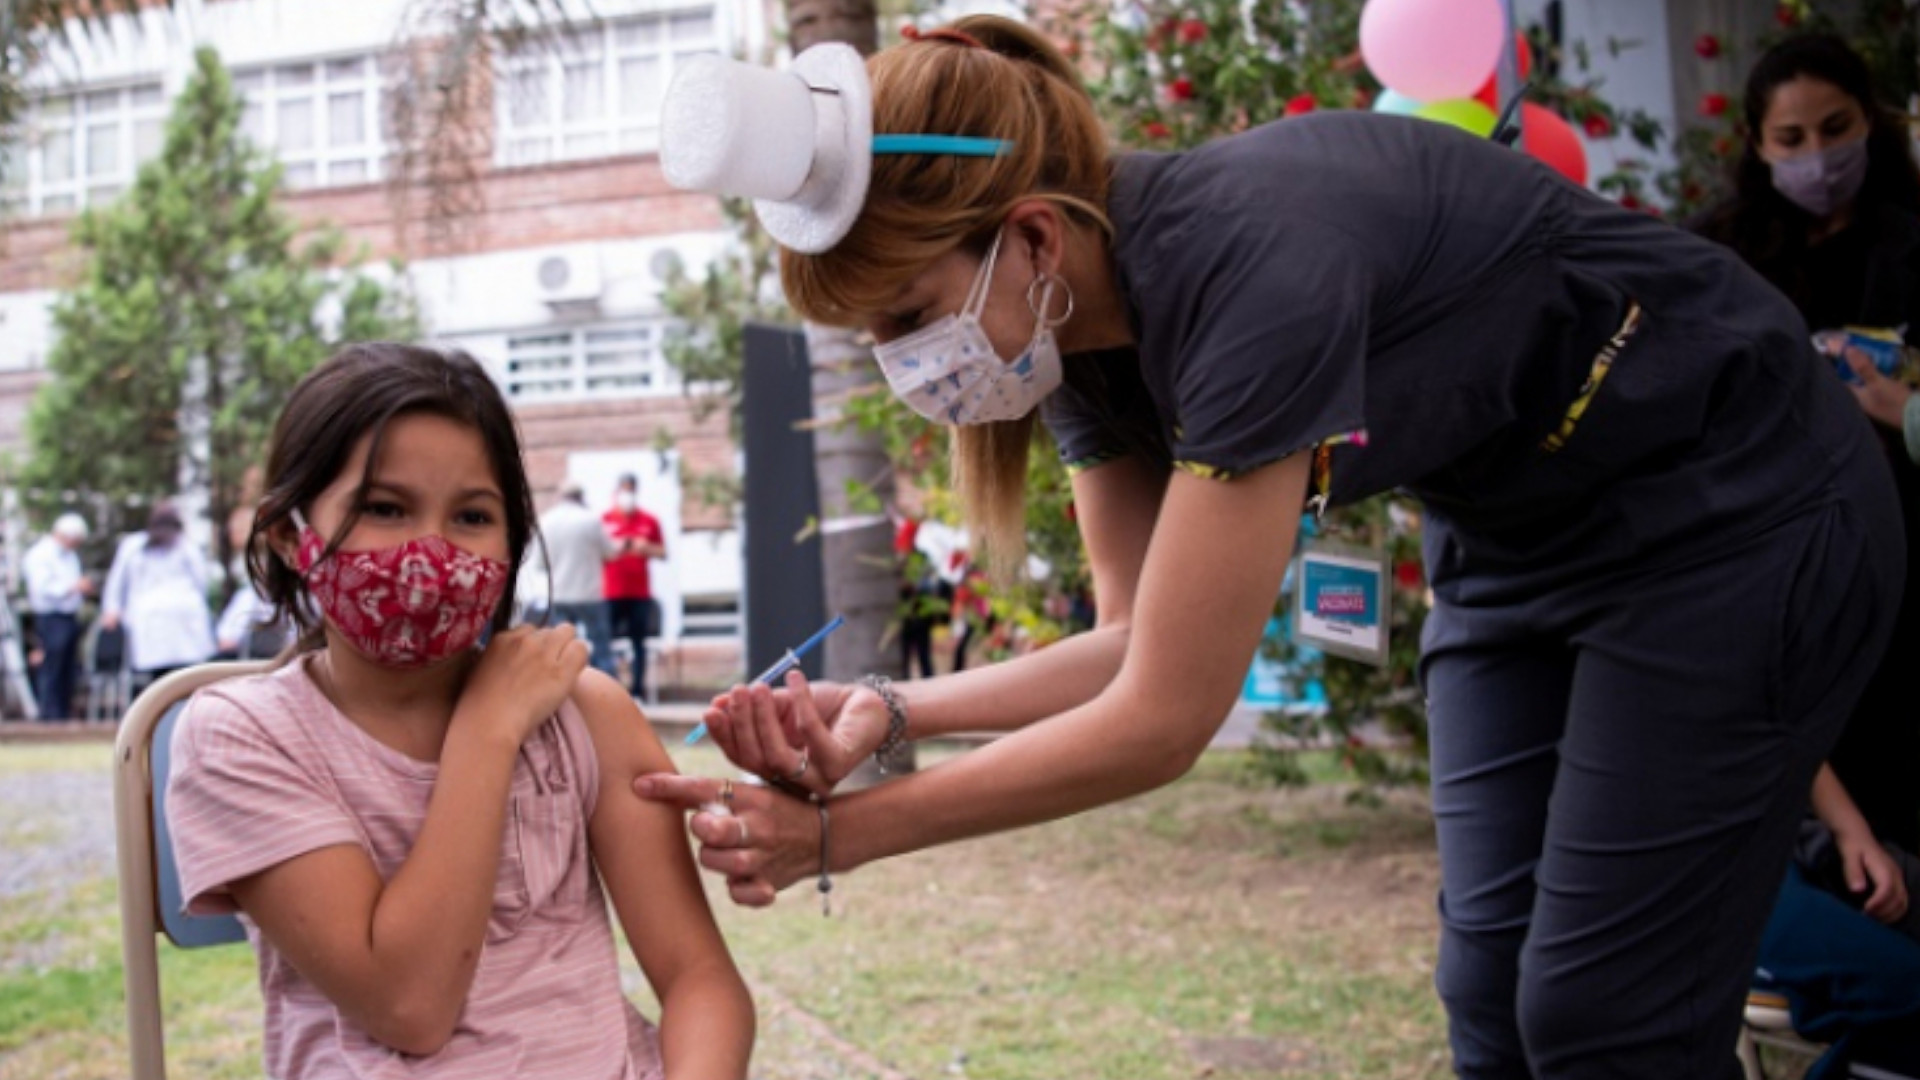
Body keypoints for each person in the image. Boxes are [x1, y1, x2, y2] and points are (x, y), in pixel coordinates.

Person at [639, 17, 1906, 1078]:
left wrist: (846, 835)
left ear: (1027, 236)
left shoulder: (1250, 263)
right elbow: (1130, 642)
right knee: (1489, 997)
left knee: (1603, 1017)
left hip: (1739, 508)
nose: (903, 365)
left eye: (905, 317)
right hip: (1522, 546)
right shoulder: (1070, 333)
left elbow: (1166, 718)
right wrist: (883, 711)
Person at [165, 343, 753, 1079]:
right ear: (289, 534)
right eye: (384, 508)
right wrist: (488, 729)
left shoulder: (584, 715)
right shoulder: (242, 736)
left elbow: (701, 980)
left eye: (472, 515)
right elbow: (409, 1004)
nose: (430, 552)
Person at [1692, 33, 1920, 859]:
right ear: (1757, 143)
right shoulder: (1718, 257)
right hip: (1780, 565)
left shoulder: (1909, 240)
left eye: (1837, 128)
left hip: (1904, 563)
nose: (1818, 157)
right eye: (1792, 140)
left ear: (1872, 122)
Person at [100, 500, 215, 687]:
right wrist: (111, 608)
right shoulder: (133, 547)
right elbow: (117, 580)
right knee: (156, 677)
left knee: (185, 673)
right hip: (149, 620)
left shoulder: (187, 547)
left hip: (184, 622)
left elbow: (202, 582)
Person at [533, 479, 619, 676]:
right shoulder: (590, 519)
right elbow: (611, 553)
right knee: (601, 647)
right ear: (581, 496)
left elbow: (540, 564)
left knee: (563, 650)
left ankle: (568, 693)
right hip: (589, 594)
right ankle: (608, 690)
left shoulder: (547, 520)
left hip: (560, 594)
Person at [603, 473, 666, 701]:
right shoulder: (604, 520)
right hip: (611, 591)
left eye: (631, 490)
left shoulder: (649, 521)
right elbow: (596, 553)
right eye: (624, 490)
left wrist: (645, 548)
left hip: (639, 592)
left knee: (639, 643)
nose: (627, 495)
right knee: (606, 642)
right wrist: (617, 548)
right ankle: (609, 690)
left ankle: (637, 690)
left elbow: (662, 552)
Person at [23, 513, 92, 720]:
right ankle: (49, 714)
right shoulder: (40, 554)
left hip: (69, 615)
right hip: (50, 616)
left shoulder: (69, 556)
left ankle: (63, 711)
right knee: (52, 665)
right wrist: (72, 588)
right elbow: (41, 588)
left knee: (69, 666)